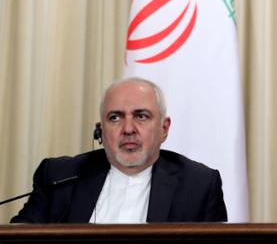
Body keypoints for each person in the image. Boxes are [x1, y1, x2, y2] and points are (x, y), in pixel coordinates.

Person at [11, 77, 227, 223]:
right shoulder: (59, 177)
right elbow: (19, 238)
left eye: (141, 116)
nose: (128, 129)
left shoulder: (198, 185)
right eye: (115, 117)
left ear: (164, 128)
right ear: (100, 131)